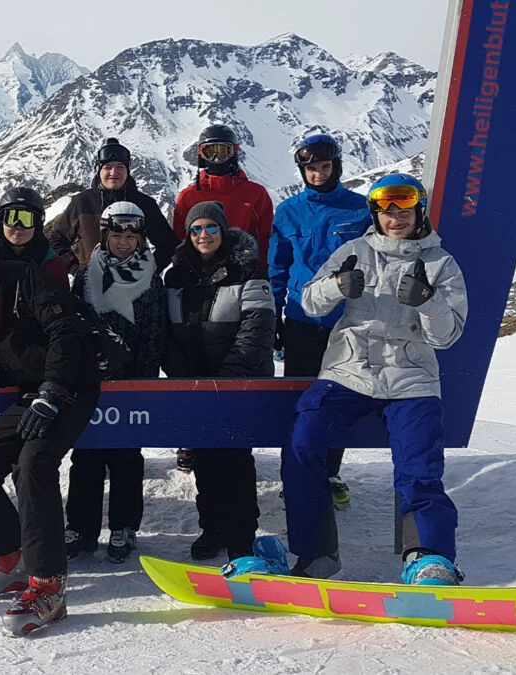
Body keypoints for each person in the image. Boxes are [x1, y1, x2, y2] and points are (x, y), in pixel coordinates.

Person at [281, 173, 468, 585]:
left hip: (411, 378)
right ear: (375, 215)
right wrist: (336, 287)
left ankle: (428, 556)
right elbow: (309, 302)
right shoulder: (354, 251)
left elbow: (447, 336)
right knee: (302, 443)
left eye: (404, 209)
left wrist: (428, 301)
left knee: (419, 465)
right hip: (348, 371)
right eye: (386, 211)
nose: (395, 218)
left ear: (419, 212)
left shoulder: (440, 264)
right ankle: (316, 552)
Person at [0, 228, 101, 636]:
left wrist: (52, 390)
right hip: (31, 393)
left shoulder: (25, 279)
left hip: (70, 387)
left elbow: (63, 331)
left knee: (33, 465)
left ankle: (49, 586)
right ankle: (12, 559)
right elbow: (22, 345)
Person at [163, 201, 274, 562]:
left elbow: (258, 329)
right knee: (204, 457)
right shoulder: (175, 275)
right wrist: (185, 376)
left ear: (223, 230)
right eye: (196, 229)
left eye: (211, 227)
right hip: (195, 384)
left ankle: (241, 536)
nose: (204, 235)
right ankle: (212, 528)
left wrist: (228, 379)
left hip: (239, 382)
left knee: (235, 458)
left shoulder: (249, 270)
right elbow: (166, 333)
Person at [269, 133, 371, 510]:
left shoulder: (360, 210)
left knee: (338, 398)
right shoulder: (288, 212)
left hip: (346, 322)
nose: (318, 174)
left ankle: (329, 472)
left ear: (336, 166)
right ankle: (294, 473)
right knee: (299, 400)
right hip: (300, 319)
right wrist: (274, 316)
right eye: (311, 169)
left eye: (325, 166)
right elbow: (277, 269)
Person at [63, 202, 166, 564]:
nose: (124, 243)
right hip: (92, 378)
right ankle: (80, 527)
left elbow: (155, 331)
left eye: (131, 236)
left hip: (133, 381)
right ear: (105, 236)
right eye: (117, 235)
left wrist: (143, 379)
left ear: (140, 239)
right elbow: (75, 325)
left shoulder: (151, 276)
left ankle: (124, 526)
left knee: (126, 458)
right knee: (86, 455)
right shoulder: (86, 274)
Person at [49, 137, 178, 270]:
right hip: (91, 281)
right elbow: (55, 241)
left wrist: (147, 271)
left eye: (120, 167)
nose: (114, 172)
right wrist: (77, 270)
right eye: (108, 167)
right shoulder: (82, 202)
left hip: (134, 282)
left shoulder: (145, 204)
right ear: (99, 171)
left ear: (128, 171)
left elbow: (169, 245)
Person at [173, 124, 274, 269]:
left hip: (243, 271)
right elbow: (180, 240)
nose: (216, 159)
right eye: (210, 152)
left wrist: (260, 271)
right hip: (199, 272)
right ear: (201, 155)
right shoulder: (189, 196)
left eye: (222, 151)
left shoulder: (255, 193)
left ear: (233, 152)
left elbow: (265, 239)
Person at [0, 187, 69, 285]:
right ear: (1, 221)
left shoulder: (53, 265)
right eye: (10, 218)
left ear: (38, 225)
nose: (18, 226)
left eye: (27, 219)